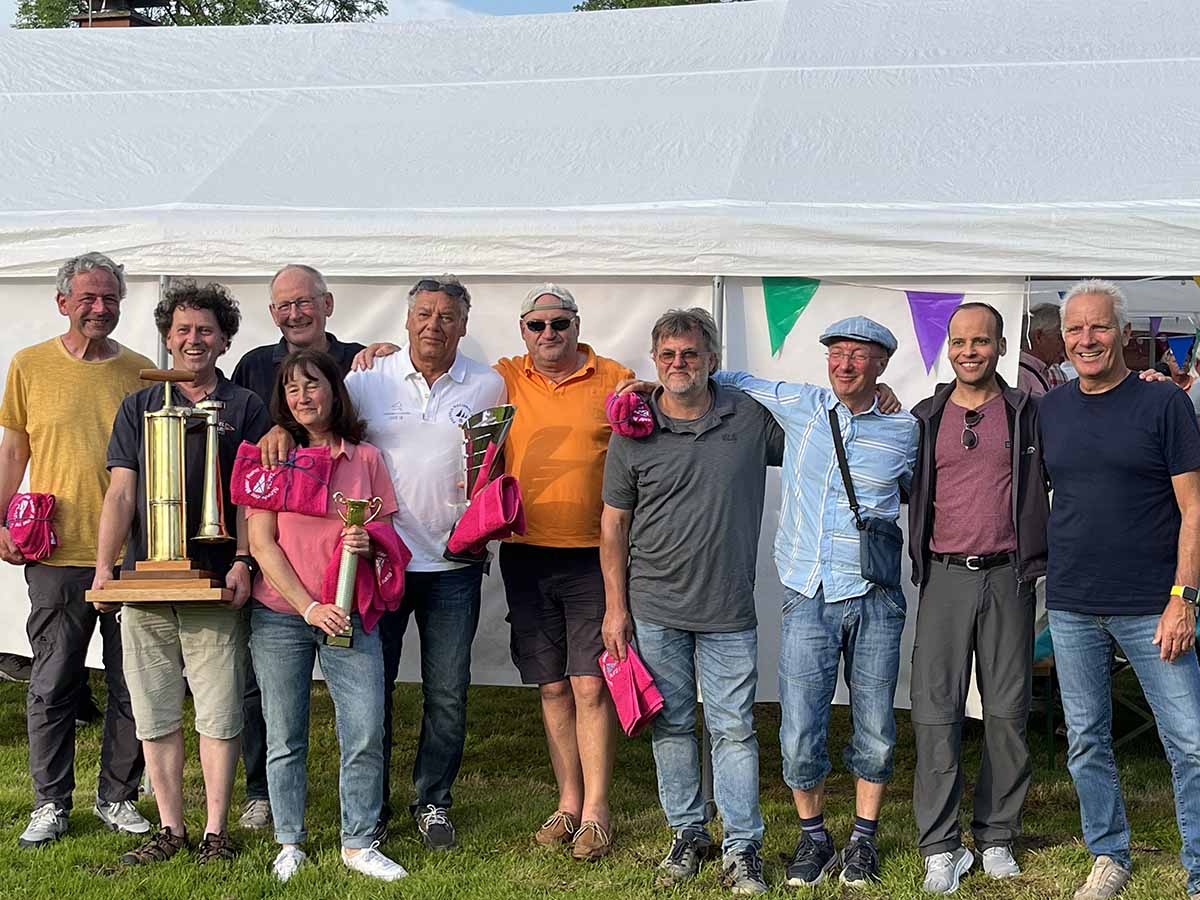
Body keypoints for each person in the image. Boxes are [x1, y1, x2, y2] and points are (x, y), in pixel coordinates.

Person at [714, 316, 918, 888]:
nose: (844, 365)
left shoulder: (906, 430)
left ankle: (863, 840)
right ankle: (813, 837)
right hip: (807, 594)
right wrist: (652, 389)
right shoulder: (801, 404)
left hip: (874, 597)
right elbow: (728, 377)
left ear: (881, 365)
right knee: (800, 730)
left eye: (858, 356)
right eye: (837, 354)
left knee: (875, 725)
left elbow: (920, 488)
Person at [602, 308, 783, 895]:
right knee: (673, 726)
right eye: (668, 355)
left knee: (733, 728)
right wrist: (615, 608)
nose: (679, 364)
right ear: (655, 361)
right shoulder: (633, 430)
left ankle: (742, 845)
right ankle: (686, 833)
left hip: (728, 607)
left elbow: (816, 431)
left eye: (690, 354)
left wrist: (874, 393)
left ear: (711, 360)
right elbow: (613, 527)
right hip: (654, 607)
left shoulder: (750, 418)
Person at [93, 282, 272, 865]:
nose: (193, 340)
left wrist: (244, 559)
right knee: (155, 711)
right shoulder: (136, 407)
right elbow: (121, 493)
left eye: (205, 331)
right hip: (144, 582)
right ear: (167, 337)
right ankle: (170, 828)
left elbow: (252, 497)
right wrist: (105, 569)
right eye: (183, 330)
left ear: (224, 340)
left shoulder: (245, 406)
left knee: (220, 713)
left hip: (216, 582)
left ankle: (215, 831)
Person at [1040, 280, 1200, 900]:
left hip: (1152, 604)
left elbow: (1194, 508)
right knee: (1085, 741)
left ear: (1124, 334)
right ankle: (1108, 855)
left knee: (1189, 740)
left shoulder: (1165, 406)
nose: (1086, 339)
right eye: (1075, 328)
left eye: (1099, 327)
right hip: (1074, 601)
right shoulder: (1050, 409)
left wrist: (1184, 598)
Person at [344, 276, 505, 850]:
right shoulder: (366, 379)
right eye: (424, 314)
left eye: (447, 316)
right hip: (381, 561)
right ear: (406, 320)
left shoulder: (488, 385)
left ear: (464, 324)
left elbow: (495, 463)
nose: (434, 325)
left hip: (452, 566)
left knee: (447, 692)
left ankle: (433, 801)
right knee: (374, 689)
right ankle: (374, 804)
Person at [0, 252, 153, 847]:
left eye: (110, 298)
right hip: (56, 554)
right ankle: (50, 802)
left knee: (132, 683)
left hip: (130, 557)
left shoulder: (142, 371)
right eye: (88, 298)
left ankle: (117, 795)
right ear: (62, 302)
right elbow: (14, 452)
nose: (100, 308)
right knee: (54, 681)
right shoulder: (29, 366)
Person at [247, 349, 407, 883]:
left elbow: (387, 532)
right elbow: (262, 545)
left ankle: (358, 843)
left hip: (351, 613)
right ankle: (289, 841)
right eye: (292, 390)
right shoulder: (271, 459)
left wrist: (370, 538)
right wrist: (308, 607)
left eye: (312, 385)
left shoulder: (366, 460)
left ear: (334, 391)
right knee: (284, 734)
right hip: (282, 615)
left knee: (363, 728)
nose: (303, 397)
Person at [907, 303, 1050, 893]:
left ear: (1000, 347)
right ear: (948, 346)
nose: (970, 351)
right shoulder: (923, 415)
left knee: (1007, 713)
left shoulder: (1027, 413)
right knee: (935, 712)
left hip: (1007, 576)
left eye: (982, 341)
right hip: (943, 575)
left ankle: (996, 836)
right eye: (960, 341)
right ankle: (941, 846)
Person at [489, 285, 632, 860]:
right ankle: (567, 801)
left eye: (559, 323)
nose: (549, 335)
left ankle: (597, 811)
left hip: (592, 557)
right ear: (522, 330)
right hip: (525, 553)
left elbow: (663, 402)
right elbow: (440, 364)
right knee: (551, 686)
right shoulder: (503, 376)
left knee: (590, 684)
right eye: (537, 325)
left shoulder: (614, 375)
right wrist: (372, 351)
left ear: (577, 325)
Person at [230, 263, 366, 831]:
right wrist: (272, 431)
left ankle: (363, 806)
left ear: (328, 303)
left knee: (361, 710)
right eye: (283, 305)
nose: (295, 313)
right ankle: (263, 792)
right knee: (263, 694)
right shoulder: (252, 365)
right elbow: (245, 451)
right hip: (271, 552)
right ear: (271, 314)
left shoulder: (362, 359)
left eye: (304, 302)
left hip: (340, 559)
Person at [1018, 302, 1068, 396]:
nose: (1064, 344)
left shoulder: (1035, 371)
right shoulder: (1021, 375)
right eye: (1059, 337)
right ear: (1039, 337)